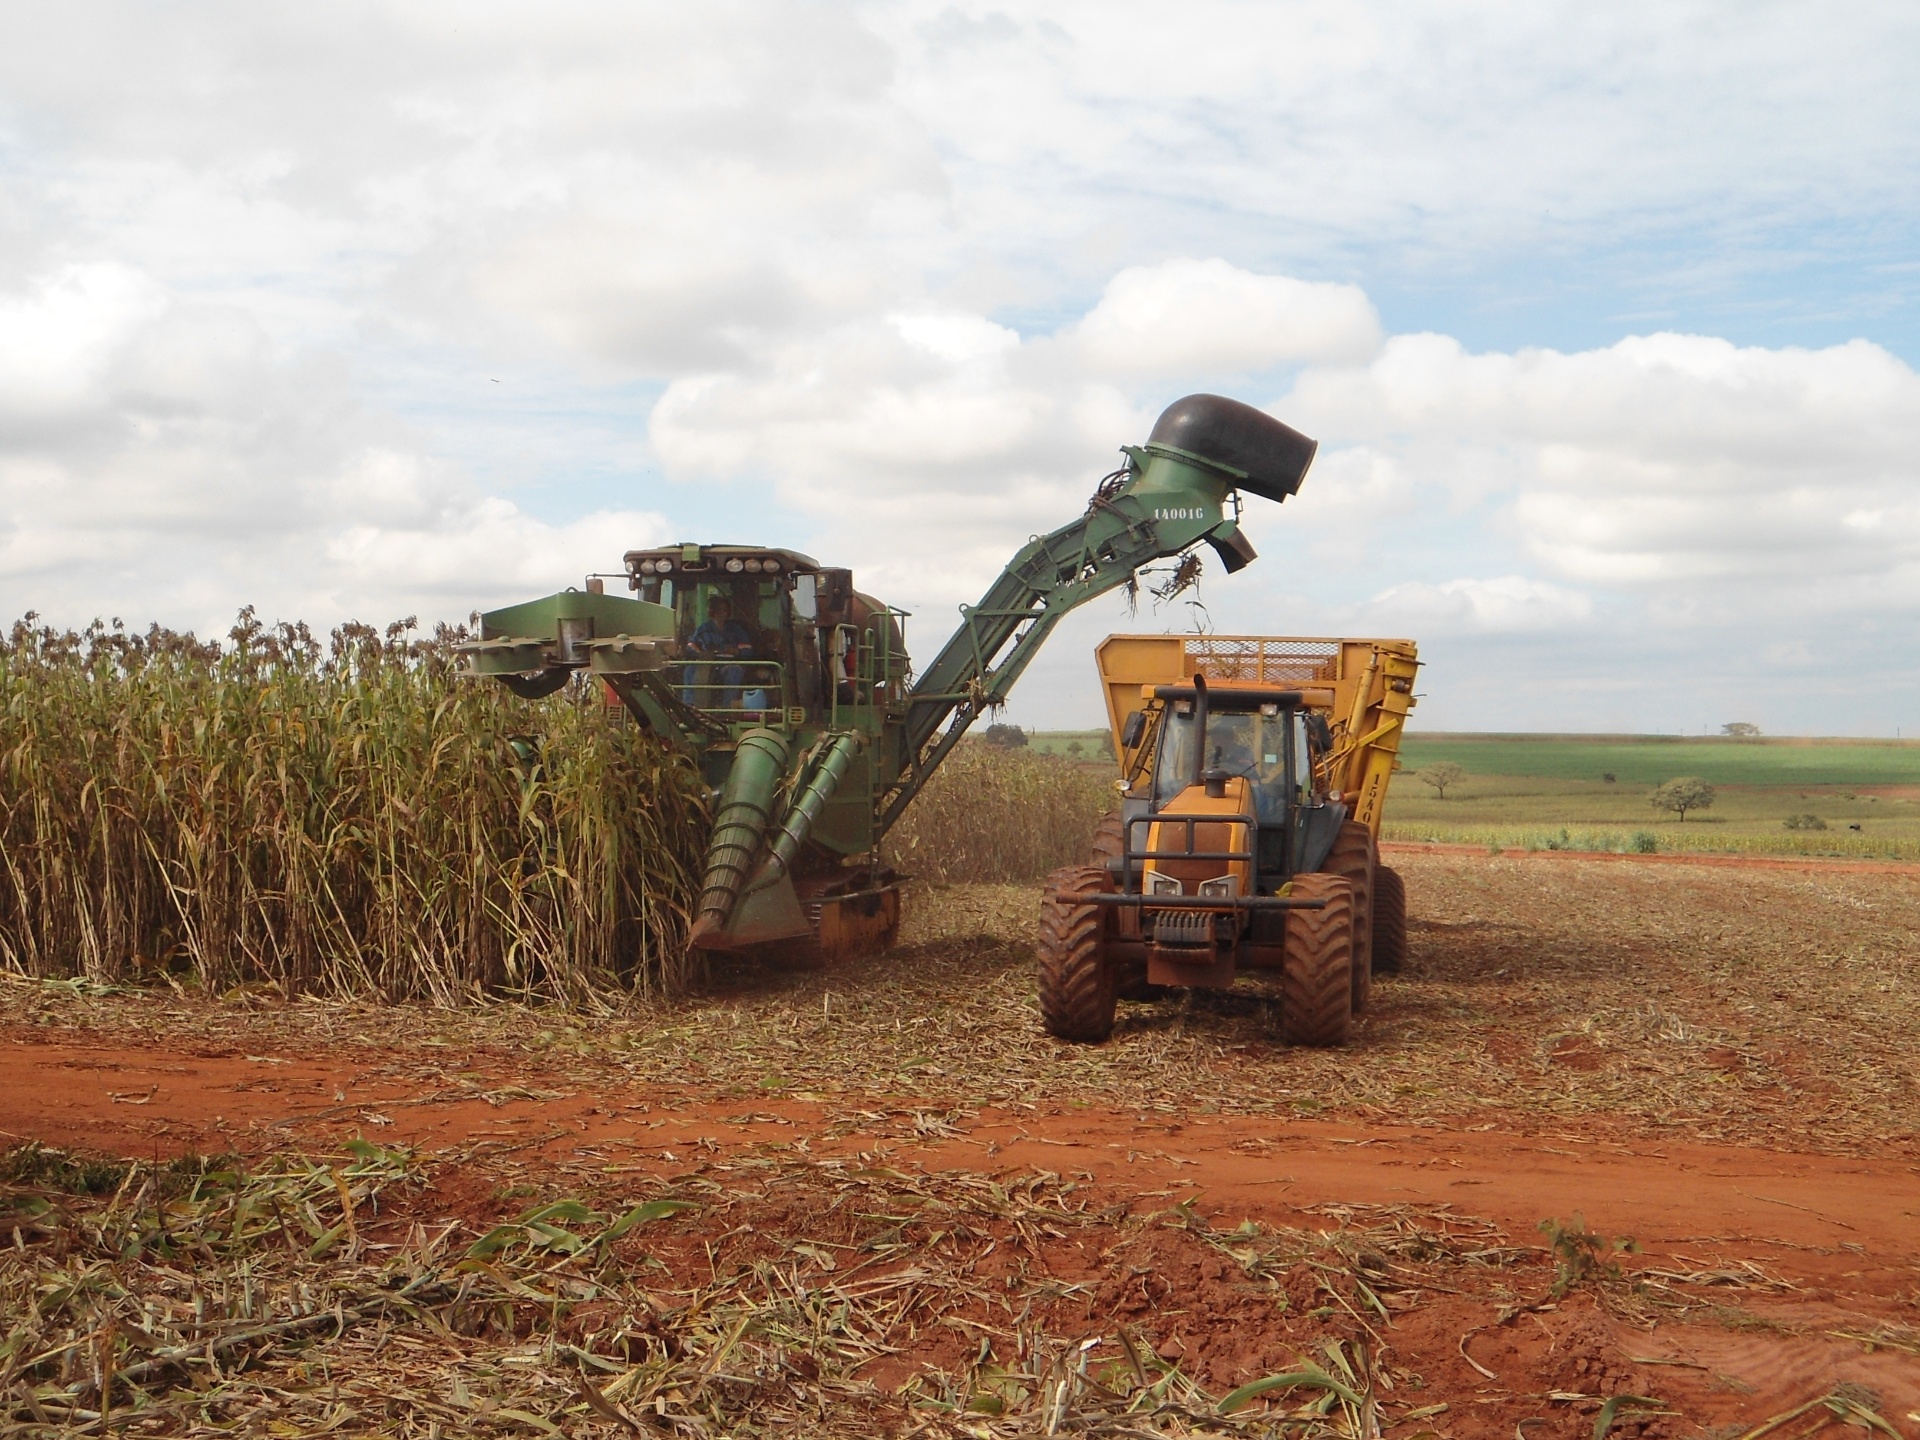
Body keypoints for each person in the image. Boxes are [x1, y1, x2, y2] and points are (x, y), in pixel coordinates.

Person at [684, 595, 756, 707]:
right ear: (712, 612)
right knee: (690, 669)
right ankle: (690, 706)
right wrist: (701, 653)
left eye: (726, 610)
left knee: (734, 672)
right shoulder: (703, 629)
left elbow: (747, 649)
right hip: (707, 664)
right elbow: (690, 646)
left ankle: (726, 709)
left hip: (728, 664)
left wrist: (735, 651)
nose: (724, 613)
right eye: (720, 610)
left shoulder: (736, 630)